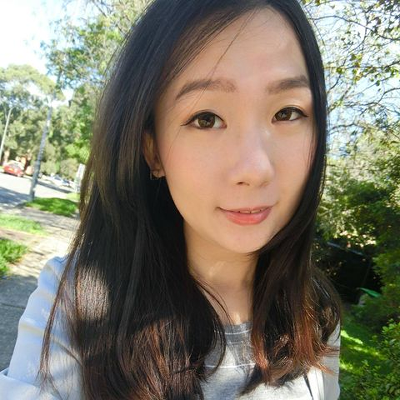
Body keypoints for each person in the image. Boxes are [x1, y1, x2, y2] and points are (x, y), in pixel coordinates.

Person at [0, 0, 342, 398]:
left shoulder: (315, 314)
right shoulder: (77, 300)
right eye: (206, 119)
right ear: (153, 151)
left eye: (286, 113)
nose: (255, 169)